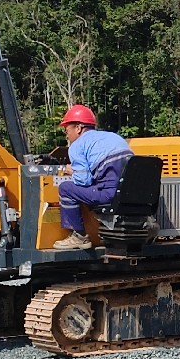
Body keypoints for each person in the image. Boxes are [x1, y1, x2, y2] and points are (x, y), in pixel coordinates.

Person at [52, 104, 134, 250]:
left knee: (65, 188)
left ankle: (79, 236)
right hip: (131, 195)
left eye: (67, 129)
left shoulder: (77, 145)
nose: (66, 135)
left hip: (110, 195)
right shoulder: (114, 137)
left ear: (78, 128)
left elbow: (84, 181)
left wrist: (73, 172)